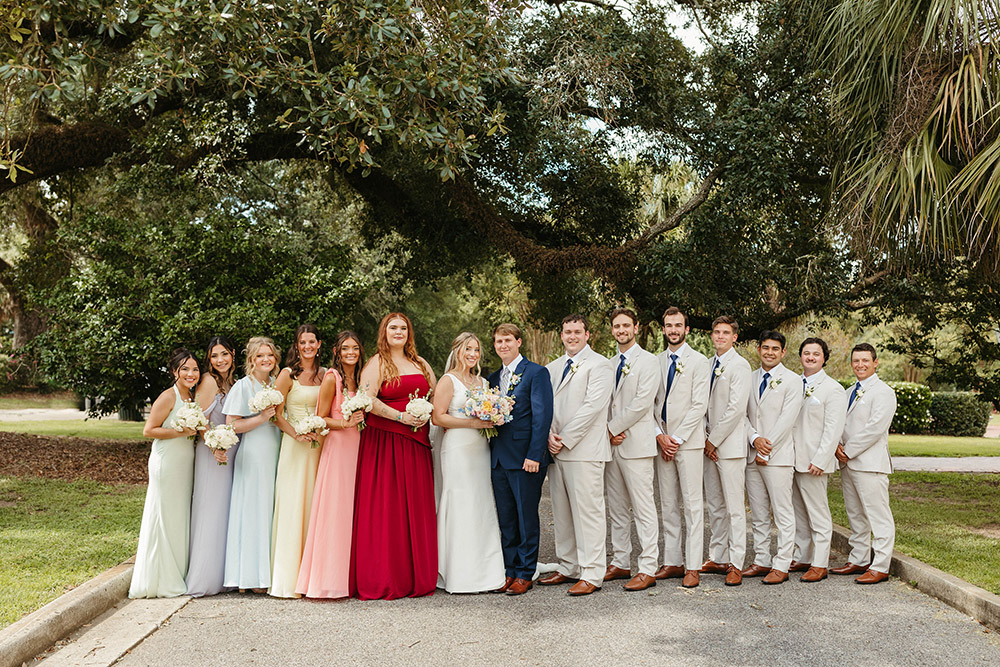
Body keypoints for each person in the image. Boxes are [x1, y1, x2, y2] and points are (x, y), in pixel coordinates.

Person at [351, 312, 437, 600]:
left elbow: (435, 396)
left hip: (416, 443)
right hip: (384, 444)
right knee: (387, 508)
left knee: (414, 506)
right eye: (393, 327)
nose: (398, 332)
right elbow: (367, 399)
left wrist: (426, 413)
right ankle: (386, 576)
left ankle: (417, 575)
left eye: (403, 327)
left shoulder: (420, 363)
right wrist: (400, 416)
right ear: (384, 332)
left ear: (409, 332)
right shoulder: (376, 363)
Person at [537, 315, 614, 596]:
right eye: (567, 331)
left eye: (577, 332)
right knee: (562, 511)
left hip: (583, 450)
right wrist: (548, 437)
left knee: (589, 512)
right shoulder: (551, 368)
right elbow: (544, 406)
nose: (572, 336)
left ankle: (592, 572)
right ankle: (568, 566)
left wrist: (565, 439)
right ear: (561, 334)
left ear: (587, 335)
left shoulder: (600, 365)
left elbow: (593, 407)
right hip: (555, 450)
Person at [431, 332, 506, 594]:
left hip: (479, 449)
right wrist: (472, 423)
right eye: (468, 349)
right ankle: (457, 573)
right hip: (457, 450)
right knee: (460, 502)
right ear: (457, 350)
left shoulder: (483, 382)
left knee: (480, 503)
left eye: (476, 350)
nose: (472, 354)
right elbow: (438, 418)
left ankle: (486, 571)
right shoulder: (448, 380)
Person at [297, 331, 366, 599]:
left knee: (353, 511)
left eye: (356, 348)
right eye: (345, 348)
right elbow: (321, 418)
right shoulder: (332, 378)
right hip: (338, 449)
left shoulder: (360, 379)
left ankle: (351, 577)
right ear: (336, 352)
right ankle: (327, 579)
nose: (351, 353)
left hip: (359, 448)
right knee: (335, 511)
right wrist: (345, 423)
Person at [487, 323, 553, 596]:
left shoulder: (536, 373)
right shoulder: (491, 379)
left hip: (526, 458)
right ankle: (510, 570)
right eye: (498, 342)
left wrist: (534, 455)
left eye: (507, 340)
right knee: (507, 519)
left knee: (526, 518)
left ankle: (526, 572)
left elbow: (542, 417)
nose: (503, 345)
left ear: (518, 342)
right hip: (499, 459)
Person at [130, 349, 199, 598]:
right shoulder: (168, 396)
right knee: (164, 514)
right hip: (167, 462)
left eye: (194, 369)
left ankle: (178, 571)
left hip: (185, 463)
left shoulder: (191, 397)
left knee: (179, 515)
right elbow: (149, 430)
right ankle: (160, 578)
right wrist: (181, 432)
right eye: (185, 369)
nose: (191, 374)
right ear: (174, 372)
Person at [652, 307, 710, 589]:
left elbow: (700, 404)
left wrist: (676, 438)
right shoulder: (656, 362)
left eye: (678, 325)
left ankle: (693, 566)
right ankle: (672, 561)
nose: (673, 329)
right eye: (668, 325)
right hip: (662, 441)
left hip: (686, 443)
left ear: (687, 329)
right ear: (663, 329)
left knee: (692, 504)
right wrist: (659, 435)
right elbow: (650, 403)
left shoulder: (699, 362)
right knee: (668, 504)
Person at [603, 308, 660, 592]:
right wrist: (607, 431)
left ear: (636, 328)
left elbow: (642, 402)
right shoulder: (609, 362)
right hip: (611, 447)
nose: (621, 329)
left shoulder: (649, 362)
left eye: (626, 325)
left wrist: (612, 428)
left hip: (635, 444)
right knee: (616, 508)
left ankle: (648, 566)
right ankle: (621, 560)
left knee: (643, 507)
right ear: (612, 330)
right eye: (616, 326)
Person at [832, 343, 897, 584]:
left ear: (875, 362)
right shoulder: (849, 391)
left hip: (870, 464)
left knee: (878, 515)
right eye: (856, 361)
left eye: (865, 360)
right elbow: (840, 423)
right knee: (856, 514)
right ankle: (858, 559)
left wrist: (847, 451)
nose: (860, 365)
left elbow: (874, 428)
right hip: (848, 463)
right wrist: (837, 446)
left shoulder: (883, 392)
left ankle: (880, 565)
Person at [269, 324, 325, 598]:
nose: (307, 346)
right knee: (294, 506)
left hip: (319, 447)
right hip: (294, 446)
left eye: (312, 341)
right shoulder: (287, 374)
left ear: (319, 344)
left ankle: (314, 576)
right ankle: (288, 578)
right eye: (302, 342)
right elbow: (276, 414)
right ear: (297, 345)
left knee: (315, 505)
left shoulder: (326, 375)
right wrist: (296, 434)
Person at [222, 337, 282, 593]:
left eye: (270, 355)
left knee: (269, 511)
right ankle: (249, 578)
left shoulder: (277, 386)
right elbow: (231, 425)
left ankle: (266, 575)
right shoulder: (243, 386)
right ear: (251, 360)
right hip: (254, 453)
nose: (266, 359)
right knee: (253, 511)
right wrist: (261, 418)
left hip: (276, 450)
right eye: (260, 356)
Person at [743, 330, 801, 585]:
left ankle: (782, 564)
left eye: (775, 348)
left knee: (782, 513)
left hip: (778, 457)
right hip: (751, 453)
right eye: (765, 347)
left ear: (783, 352)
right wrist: (754, 438)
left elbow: (788, 419)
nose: (769, 352)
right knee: (757, 512)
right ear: (759, 350)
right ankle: (762, 559)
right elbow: (740, 413)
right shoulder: (750, 378)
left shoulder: (792, 380)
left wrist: (767, 447)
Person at [186, 336, 240, 597]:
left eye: (224, 354)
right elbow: (199, 420)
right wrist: (214, 446)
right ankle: (205, 578)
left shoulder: (234, 383)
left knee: (225, 511)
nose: (220, 360)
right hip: (211, 454)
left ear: (232, 354)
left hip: (231, 452)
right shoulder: (208, 381)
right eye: (214, 356)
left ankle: (224, 575)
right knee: (211, 510)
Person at [790, 337, 847, 583]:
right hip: (790, 459)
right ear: (800, 355)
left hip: (814, 461)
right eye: (806, 353)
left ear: (824, 357)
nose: (810, 357)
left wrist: (821, 459)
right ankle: (803, 555)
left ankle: (820, 563)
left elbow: (834, 429)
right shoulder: (793, 383)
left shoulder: (832, 388)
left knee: (818, 513)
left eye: (816, 353)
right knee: (798, 512)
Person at [702, 316, 752, 586]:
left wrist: (715, 440)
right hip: (708, 445)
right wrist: (704, 439)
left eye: (726, 332)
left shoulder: (740, 365)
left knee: (734, 507)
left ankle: (736, 563)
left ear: (734, 337)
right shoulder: (709, 364)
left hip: (729, 447)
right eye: (717, 332)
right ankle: (717, 556)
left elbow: (736, 409)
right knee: (716, 506)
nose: (720, 336)